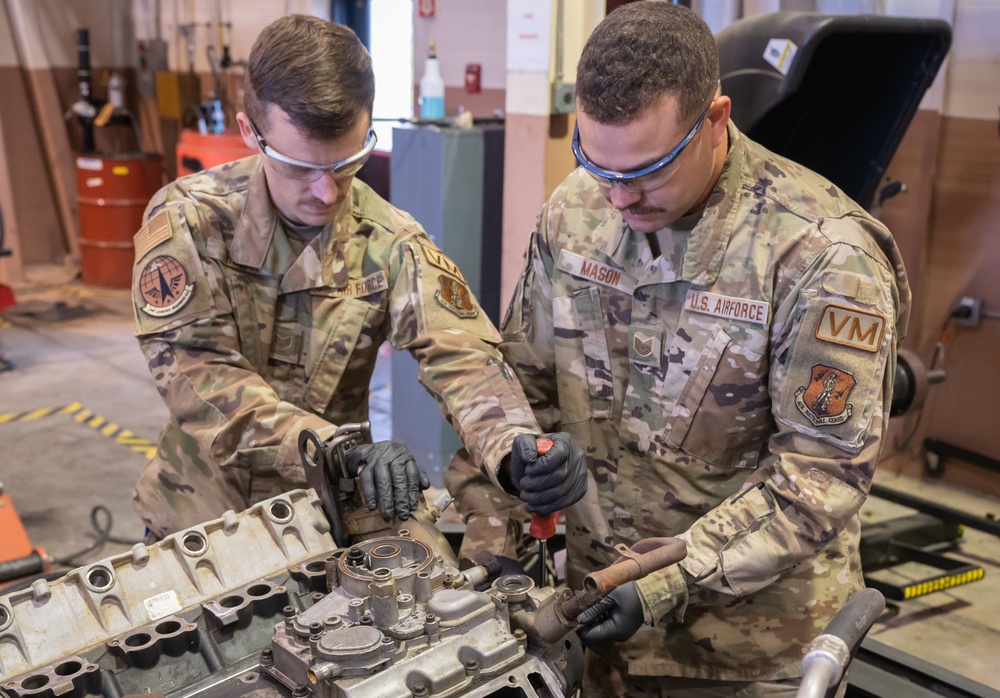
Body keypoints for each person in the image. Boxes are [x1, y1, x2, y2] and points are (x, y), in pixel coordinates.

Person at [456, 2, 911, 695]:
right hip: (599, 624)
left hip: (747, 654)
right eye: (595, 162)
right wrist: (509, 480)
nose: (618, 196)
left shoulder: (823, 256)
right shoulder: (575, 211)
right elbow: (520, 382)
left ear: (716, 121)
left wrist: (671, 577)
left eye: (648, 169)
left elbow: (820, 477)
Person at [129, 14, 587, 540]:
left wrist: (513, 446)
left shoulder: (389, 240)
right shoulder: (188, 223)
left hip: (330, 517)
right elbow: (200, 378)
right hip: (204, 521)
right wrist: (336, 449)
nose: (328, 193)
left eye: (348, 162)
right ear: (249, 134)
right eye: (301, 168)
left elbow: (462, 355)